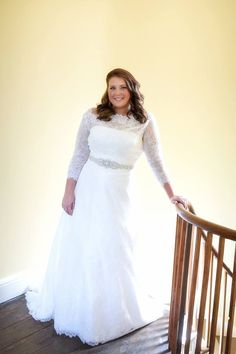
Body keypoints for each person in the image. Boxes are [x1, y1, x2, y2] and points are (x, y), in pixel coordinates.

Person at [25, 68, 187, 346]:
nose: (116, 92)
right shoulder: (92, 116)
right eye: (112, 87)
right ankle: (83, 310)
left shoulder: (145, 121)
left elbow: (155, 160)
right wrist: (69, 189)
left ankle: (112, 312)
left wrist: (171, 194)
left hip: (120, 193)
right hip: (89, 187)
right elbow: (78, 154)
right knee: (87, 246)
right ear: (106, 90)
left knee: (115, 248)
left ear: (132, 89)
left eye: (122, 87)